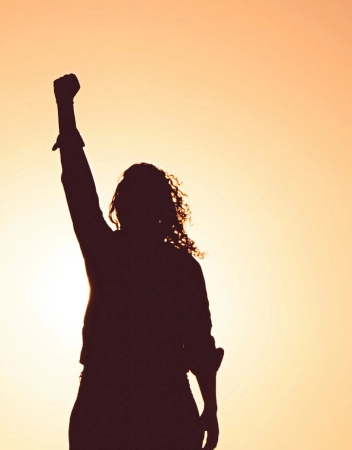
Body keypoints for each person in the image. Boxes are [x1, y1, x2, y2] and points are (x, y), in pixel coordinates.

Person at [52, 73, 223, 450]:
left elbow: (78, 188)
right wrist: (210, 407)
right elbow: (199, 346)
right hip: (147, 402)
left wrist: (65, 109)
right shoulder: (176, 267)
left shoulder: (111, 253)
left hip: (121, 402)